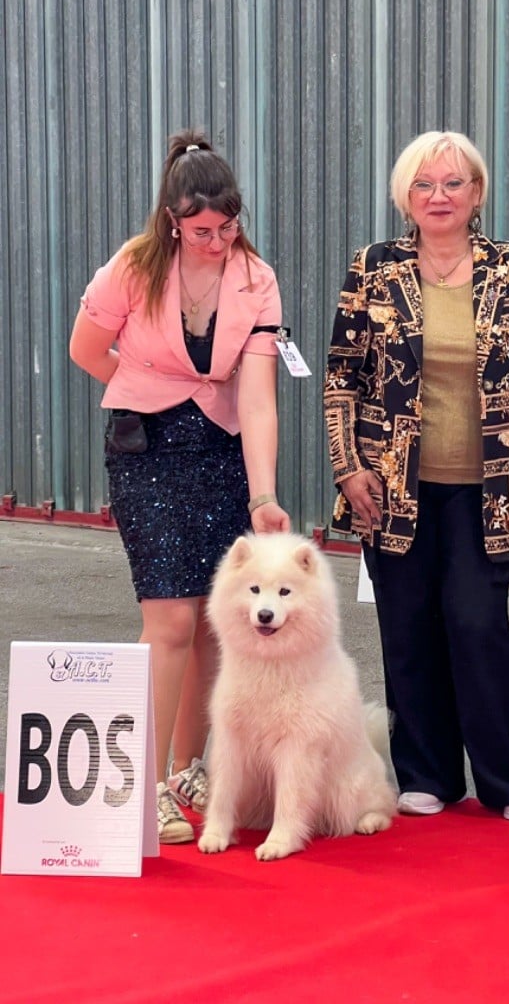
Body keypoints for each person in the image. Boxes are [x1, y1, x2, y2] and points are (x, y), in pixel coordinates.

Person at [324, 131, 509, 822]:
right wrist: (347, 467)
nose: (439, 196)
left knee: (478, 624)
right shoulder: (374, 268)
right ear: (405, 196)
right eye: (424, 185)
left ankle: (507, 781)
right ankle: (426, 773)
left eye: (453, 183)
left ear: (476, 193)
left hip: (488, 489)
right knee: (407, 628)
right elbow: (341, 378)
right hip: (392, 488)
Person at [70, 130, 290, 844]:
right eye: (202, 231)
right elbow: (84, 350)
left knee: (210, 621)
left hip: (223, 453)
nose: (217, 242)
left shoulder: (256, 278)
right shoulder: (131, 267)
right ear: (172, 221)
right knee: (167, 619)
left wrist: (263, 496)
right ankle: (140, 788)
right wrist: (149, 389)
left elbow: (258, 397)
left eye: (228, 227)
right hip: (147, 451)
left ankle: (188, 771)